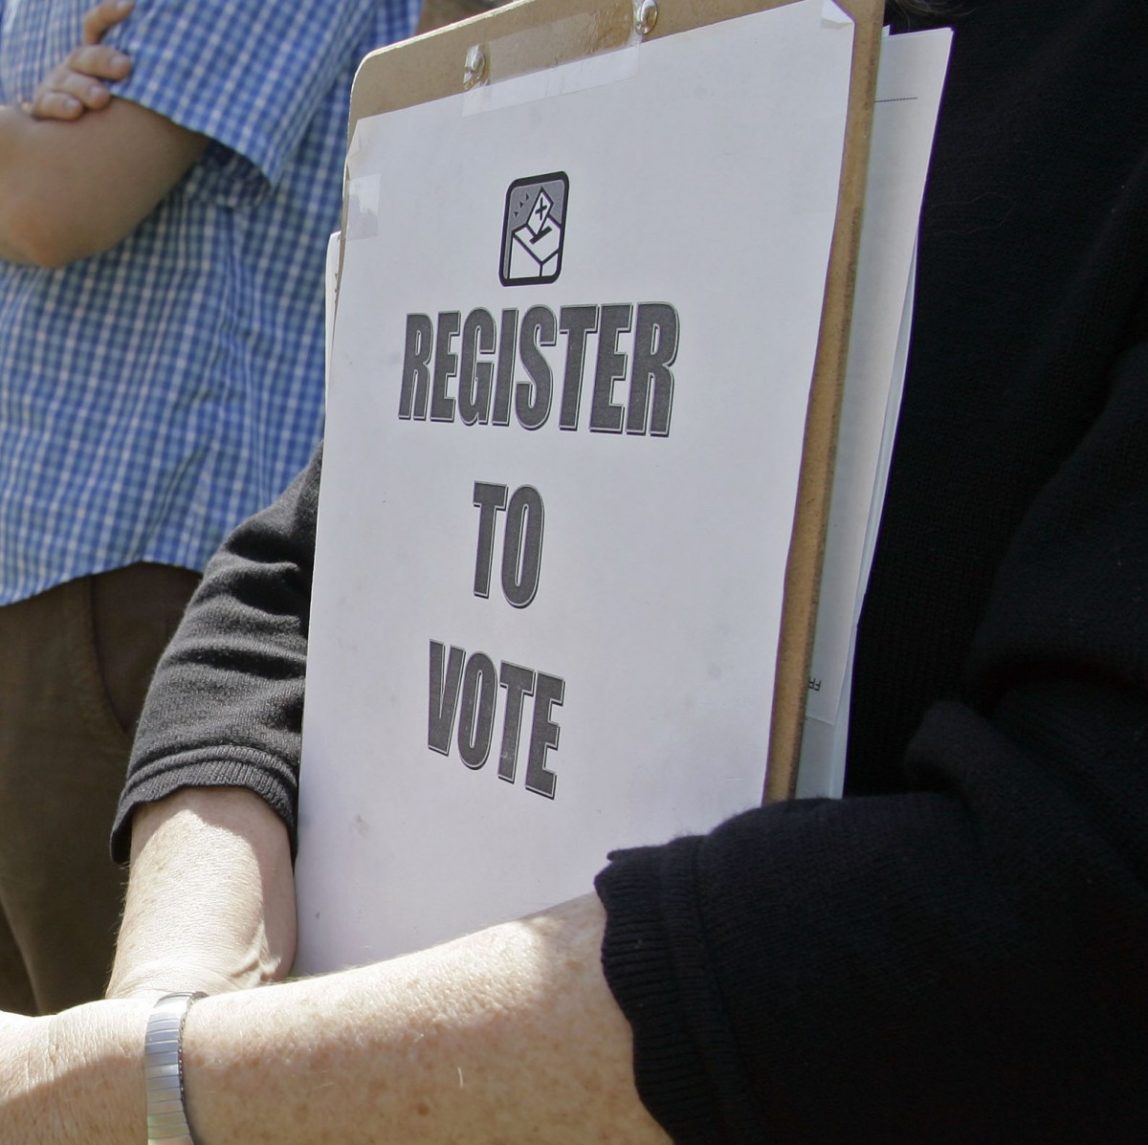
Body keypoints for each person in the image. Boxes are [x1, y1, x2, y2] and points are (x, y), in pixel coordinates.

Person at [3, 0, 1148, 1139]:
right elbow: (289, 575)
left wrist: (153, 1083)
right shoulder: (613, 61)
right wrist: (172, 1010)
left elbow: (1065, 906)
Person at [0, 0, 421, 1014]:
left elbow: (48, 199)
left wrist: (22, 145)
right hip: (59, 579)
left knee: (116, 1074)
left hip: (142, 597)